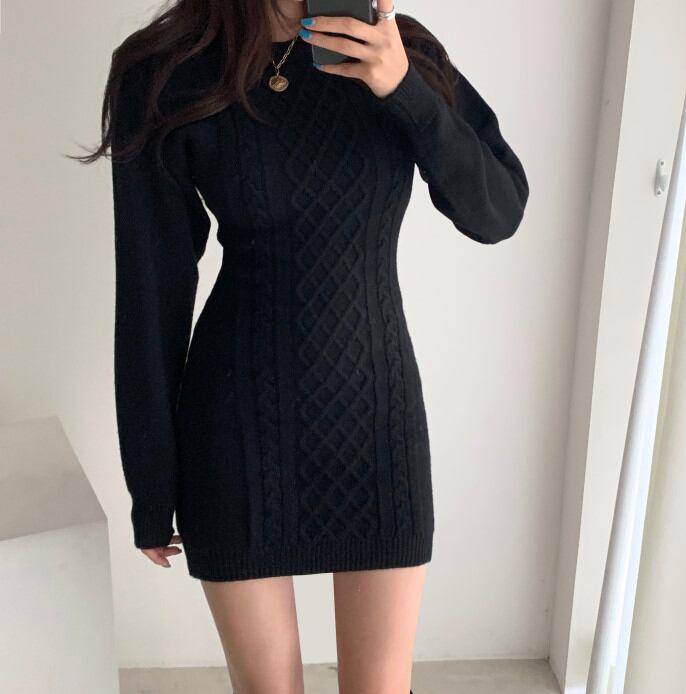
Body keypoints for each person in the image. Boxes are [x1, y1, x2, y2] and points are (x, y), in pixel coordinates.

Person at [79, 0, 529, 691]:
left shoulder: (400, 50)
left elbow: (497, 212)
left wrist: (403, 89)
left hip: (375, 422)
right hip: (235, 431)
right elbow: (150, 292)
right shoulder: (165, 69)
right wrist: (151, 480)